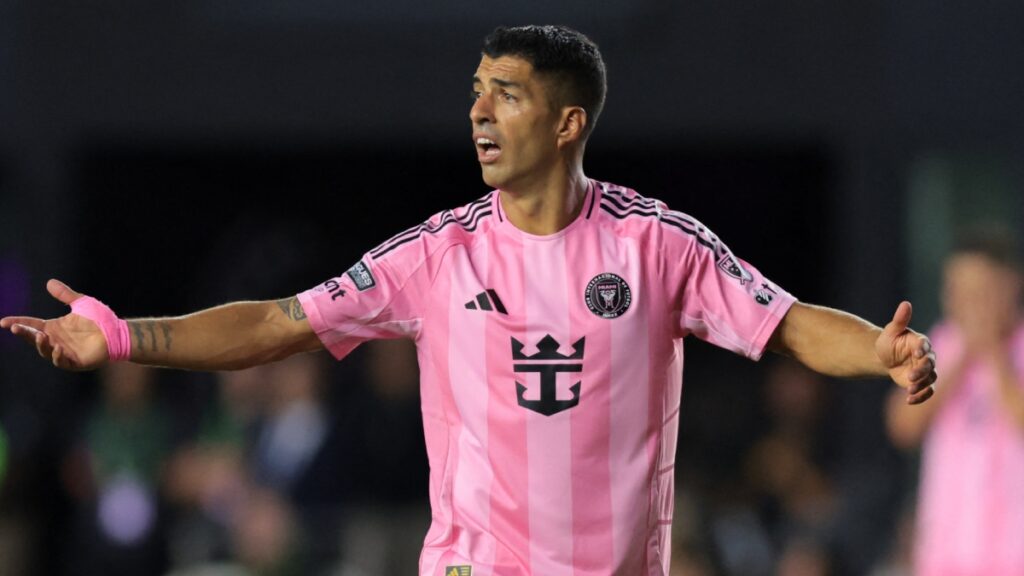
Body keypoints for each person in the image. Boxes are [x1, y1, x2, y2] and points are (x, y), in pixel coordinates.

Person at [1, 25, 936, 576]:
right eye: (477, 94)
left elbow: (787, 325)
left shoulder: (657, 245)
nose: (480, 113)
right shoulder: (437, 254)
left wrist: (878, 351)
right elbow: (279, 322)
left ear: (568, 123)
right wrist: (123, 337)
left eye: (507, 96)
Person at [886, 229, 1024, 576]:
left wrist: (996, 357)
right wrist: (961, 359)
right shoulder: (940, 345)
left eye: (979, 293)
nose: (966, 305)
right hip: (945, 557)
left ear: (1011, 285)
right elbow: (903, 426)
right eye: (957, 292)